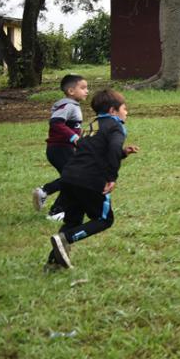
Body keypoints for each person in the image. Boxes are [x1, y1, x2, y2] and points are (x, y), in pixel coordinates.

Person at [46, 89, 140, 269]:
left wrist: (123, 153)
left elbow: (92, 150)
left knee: (73, 221)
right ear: (113, 111)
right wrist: (111, 177)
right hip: (90, 179)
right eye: (124, 108)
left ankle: (54, 263)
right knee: (104, 220)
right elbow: (113, 148)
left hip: (69, 176)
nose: (126, 112)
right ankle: (66, 238)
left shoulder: (92, 125)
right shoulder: (116, 126)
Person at [32, 73, 88, 220]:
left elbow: (72, 127)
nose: (87, 91)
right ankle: (53, 207)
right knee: (74, 178)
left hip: (64, 149)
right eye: (83, 88)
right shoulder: (67, 105)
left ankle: (53, 203)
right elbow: (56, 123)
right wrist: (73, 137)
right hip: (60, 149)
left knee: (73, 178)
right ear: (71, 91)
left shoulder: (73, 106)